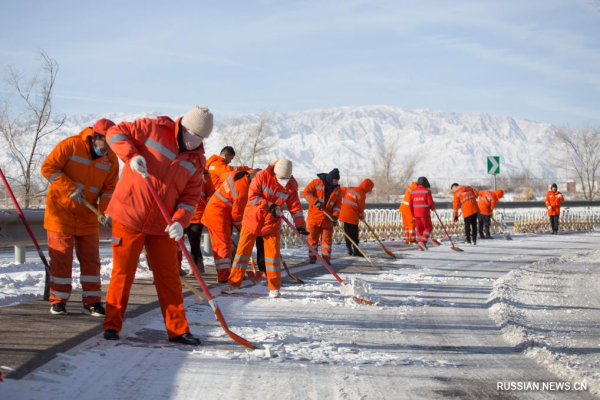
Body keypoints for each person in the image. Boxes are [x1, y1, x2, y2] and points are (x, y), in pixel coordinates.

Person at [103, 106, 213, 345]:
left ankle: (178, 330)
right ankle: (112, 325)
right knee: (123, 273)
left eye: (202, 139)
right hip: (129, 216)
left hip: (163, 225)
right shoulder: (153, 129)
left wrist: (180, 222)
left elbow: (190, 198)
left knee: (169, 277)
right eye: (193, 135)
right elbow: (115, 132)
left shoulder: (196, 162)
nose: (196, 142)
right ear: (183, 127)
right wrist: (131, 156)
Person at [40, 119, 118, 316]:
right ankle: (58, 300)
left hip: (88, 216)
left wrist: (106, 211)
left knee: (91, 261)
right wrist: (69, 188)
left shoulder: (111, 159)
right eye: (106, 143)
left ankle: (92, 302)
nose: (108, 148)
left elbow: (109, 189)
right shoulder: (70, 145)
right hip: (61, 213)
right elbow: (48, 168)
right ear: (95, 138)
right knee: (61, 257)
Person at [223, 159, 307, 298]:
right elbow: (253, 196)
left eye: (287, 178)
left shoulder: (292, 185)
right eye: (282, 178)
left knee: (273, 257)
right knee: (242, 253)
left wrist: (300, 226)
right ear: (275, 173)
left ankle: (274, 288)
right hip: (252, 220)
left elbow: (295, 207)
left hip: (271, 224)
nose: (284, 181)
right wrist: (269, 205)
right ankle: (234, 284)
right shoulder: (262, 176)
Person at [201, 170, 252, 282]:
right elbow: (237, 215)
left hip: (216, 211)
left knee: (224, 245)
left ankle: (232, 272)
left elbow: (223, 174)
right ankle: (224, 276)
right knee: (223, 246)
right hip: (218, 215)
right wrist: (242, 229)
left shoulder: (238, 174)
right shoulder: (242, 190)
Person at [302, 168, 343, 263]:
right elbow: (305, 193)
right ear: (330, 178)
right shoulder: (316, 183)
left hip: (328, 219)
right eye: (335, 180)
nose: (336, 182)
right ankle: (312, 258)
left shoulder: (338, 190)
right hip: (314, 218)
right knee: (312, 239)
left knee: (327, 241)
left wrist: (335, 216)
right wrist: (314, 202)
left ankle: (326, 259)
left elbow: (338, 205)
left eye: (337, 180)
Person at [184, 169, 215, 275]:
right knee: (190, 239)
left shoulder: (205, 176)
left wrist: (207, 202)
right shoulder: (182, 171)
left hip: (197, 213)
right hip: (184, 212)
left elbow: (211, 193)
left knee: (194, 239)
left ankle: (194, 266)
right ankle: (199, 263)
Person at [339, 179, 374, 256]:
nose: (369, 192)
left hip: (343, 215)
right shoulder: (361, 195)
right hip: (352, 217)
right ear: (367, 188)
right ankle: (356, 250)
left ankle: (349, 250)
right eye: (370, 190)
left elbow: (340, 190)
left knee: (347, 233)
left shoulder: (350, 188)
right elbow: (360, 208)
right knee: (354, 234)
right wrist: (362, 217)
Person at [409, 177, 436, 251]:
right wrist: (433, 208)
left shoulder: (413, 192)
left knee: (419, 230)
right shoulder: (427, 191)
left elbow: (410, 205)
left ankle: (420, 247)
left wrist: (413, 214)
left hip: (416, 214)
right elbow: (430, 203)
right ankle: (423, 242)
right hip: (424, 214)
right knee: (428, 228)